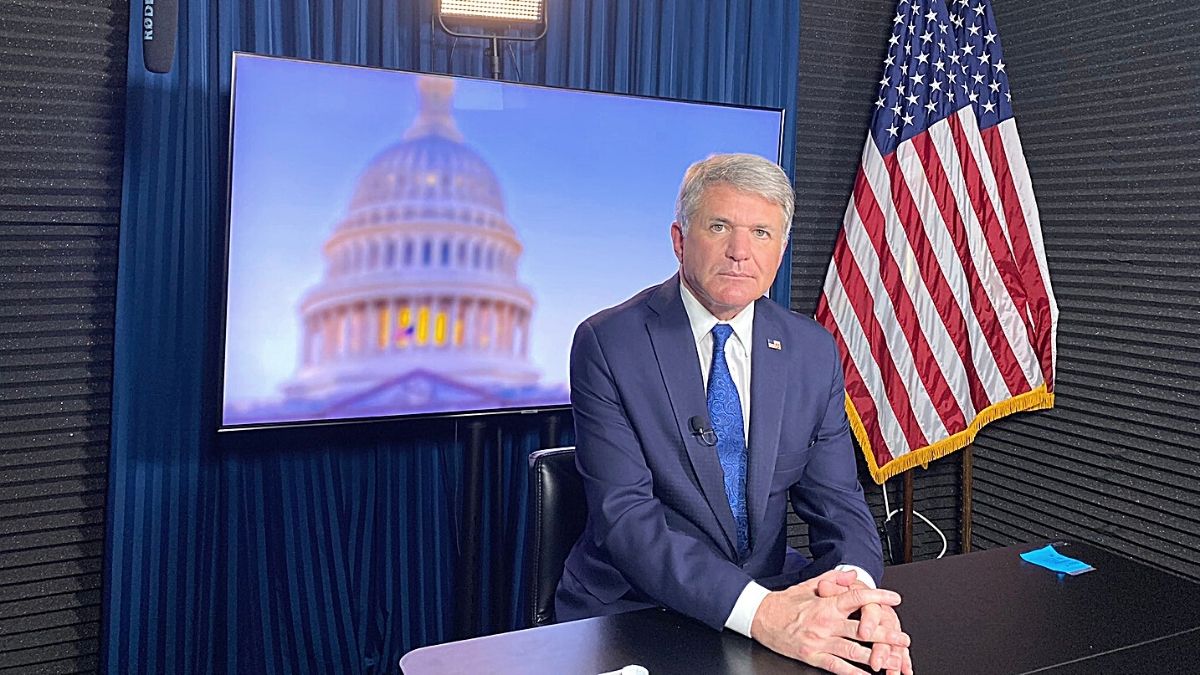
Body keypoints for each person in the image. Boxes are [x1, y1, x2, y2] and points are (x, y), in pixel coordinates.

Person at [555, 153, 913, 675]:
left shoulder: (811, 351)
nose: (740, 252)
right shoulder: (609, 343)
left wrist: (857, 597)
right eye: (719, 226)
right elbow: (626, 519)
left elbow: (838, 504)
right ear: (679, 240)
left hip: (772, 599)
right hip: (634, 608)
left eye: (762, 233)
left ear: (781, 249)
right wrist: (762, 614)